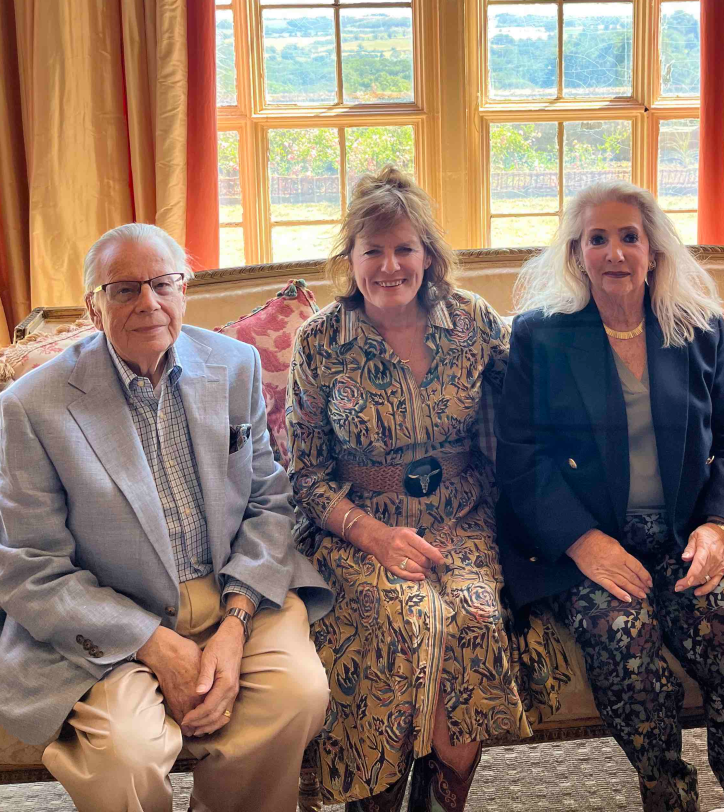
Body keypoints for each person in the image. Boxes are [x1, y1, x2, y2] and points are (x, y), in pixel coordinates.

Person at [0, 224, 332, 812]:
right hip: (110, 613)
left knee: (297, 693)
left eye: (162, 284)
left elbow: (267, 500)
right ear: (93, 306)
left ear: (185, 289)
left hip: (233, 591)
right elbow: (30, 567)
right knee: (122, 753)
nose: (148, 303)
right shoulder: (31, 406)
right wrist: (152, 642)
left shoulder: (234, 366)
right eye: (125, 290)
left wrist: (235, 624)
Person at [496, 180, 724, 811]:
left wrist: (720, 529)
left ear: (653, 250)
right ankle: (668, 796)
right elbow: (521, 459)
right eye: (596, 239)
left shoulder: (698, 330)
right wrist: (581, 542)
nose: (614, 253)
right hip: (591, 542)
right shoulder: (540, 336)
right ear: (577, 253)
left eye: (628, 236)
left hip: (686, 535)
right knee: (620, 637)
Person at [286, 166, 569, 812]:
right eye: (373, 250)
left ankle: (441, 795)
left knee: (474, 619)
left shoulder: (470, 323)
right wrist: (373, 535)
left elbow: (540, 380)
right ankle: (378, 801)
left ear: (429, 256)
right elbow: (303, 473)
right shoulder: (321, 341)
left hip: (461, 516)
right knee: (405, 624)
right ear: (349, 260)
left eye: (404, 248)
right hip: (360, 527)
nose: (390, 265)